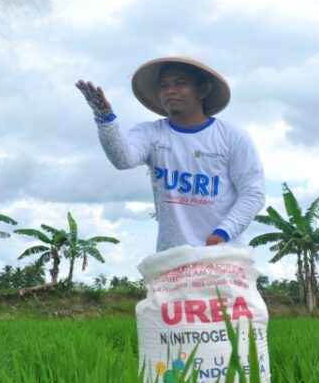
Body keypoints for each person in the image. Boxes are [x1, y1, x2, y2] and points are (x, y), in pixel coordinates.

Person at [76, 56, 265, 252]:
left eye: (181, 83)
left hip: (222, 256)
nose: (170, 90)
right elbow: (123, 159)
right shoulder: (150, 133)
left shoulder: (232, 137)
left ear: (203, 90)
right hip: (170, 259)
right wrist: (105, 119)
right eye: (163, 85)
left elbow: (253, 193)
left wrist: (222, 232)